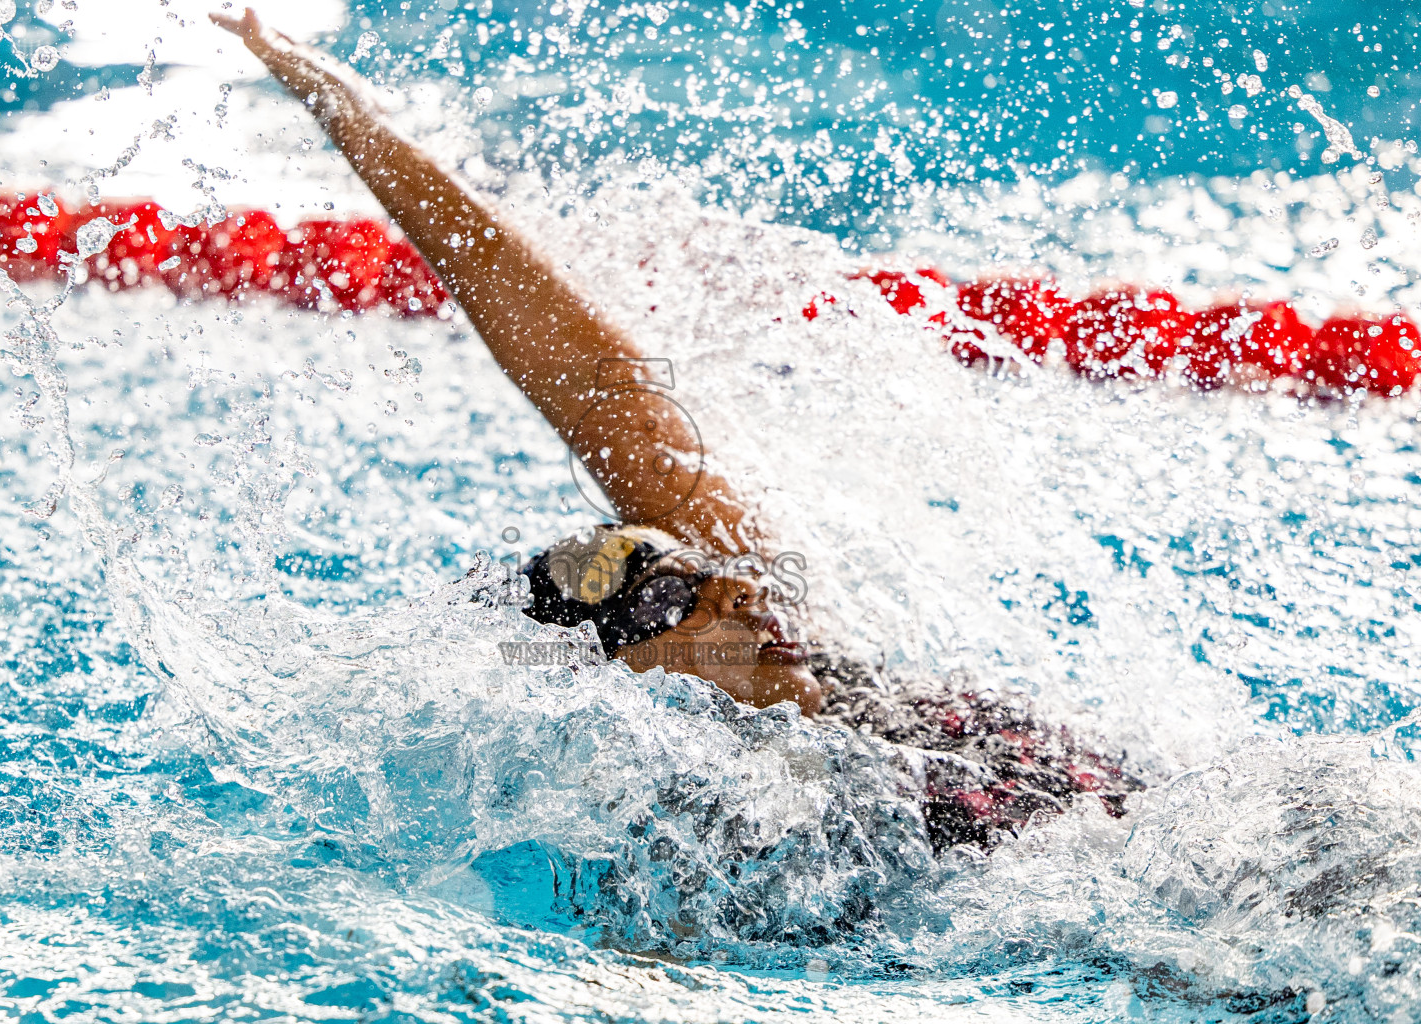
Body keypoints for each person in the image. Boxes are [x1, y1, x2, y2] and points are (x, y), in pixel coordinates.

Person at [211, 10, 1141, 852]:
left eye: (696, 570)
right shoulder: (728, 856)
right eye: (669, 603)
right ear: (620, 689)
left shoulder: (804, 664)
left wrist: (332, 97)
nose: (733, 590)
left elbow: (592, 383)